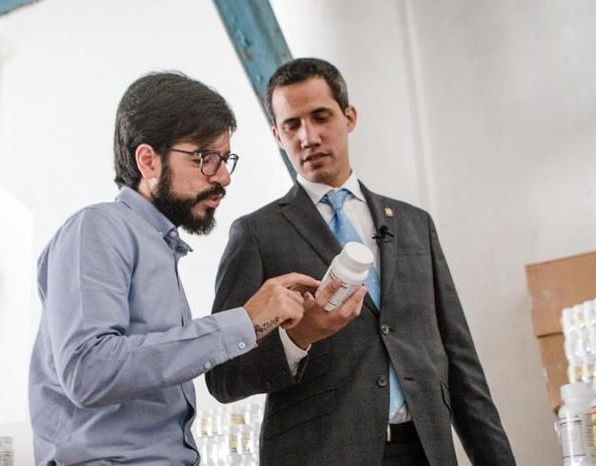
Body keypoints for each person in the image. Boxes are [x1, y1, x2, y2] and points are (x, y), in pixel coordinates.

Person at [205, 58, 516, 466]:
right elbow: (223, 377)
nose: (309, 136)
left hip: (425, 451)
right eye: (292, 125)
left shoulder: (413, 224)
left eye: (320, 117)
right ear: (277, 136)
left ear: (348, 117)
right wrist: (297, 340)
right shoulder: (256, 235)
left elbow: (460, 363)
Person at [28, 72, 325, 466]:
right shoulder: (97, 228)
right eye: (205, 158)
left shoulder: (161, 248)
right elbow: (88, 369)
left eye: (225, 159)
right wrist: (245, 321)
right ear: (148, 160)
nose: (223, 177)